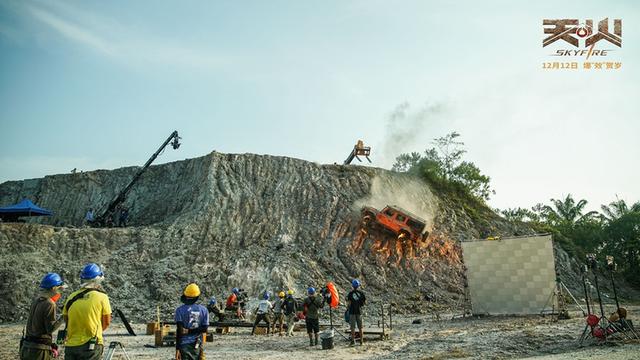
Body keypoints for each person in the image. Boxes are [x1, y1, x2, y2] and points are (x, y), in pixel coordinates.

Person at [63, 263, 112, 360]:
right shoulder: (102, 297)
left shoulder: (71, 297)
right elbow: (106, 322)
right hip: (91, 345)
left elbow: (66, 319)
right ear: (98, 279)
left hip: (71, 345)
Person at [20, 273, 67, 360]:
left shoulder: (36, 301)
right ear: (54, 288)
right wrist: (63, 316)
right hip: (38, 351)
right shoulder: (49, 304)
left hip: (26, 348)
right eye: (60, 288)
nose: (61, 291)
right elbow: (50, 329)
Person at [175, 283, 208, 360]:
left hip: (184, 345)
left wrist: (177, 349)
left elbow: (179, 331)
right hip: (197, 345)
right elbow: (204, 329)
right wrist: (190, 331)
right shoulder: (204, 310)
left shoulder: (179, 310)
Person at [346, 279, 366, 345]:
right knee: (360, 327)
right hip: (359, 311)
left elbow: (348, 303)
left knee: (352, 327)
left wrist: (348, 308)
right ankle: (361, 341)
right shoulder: (361, 293)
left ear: (352, 286)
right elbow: (364, 302)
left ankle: (353, 341)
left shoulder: (350, 294)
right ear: (358, 286)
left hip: (352, 312)